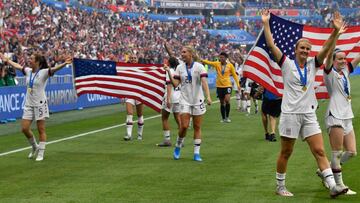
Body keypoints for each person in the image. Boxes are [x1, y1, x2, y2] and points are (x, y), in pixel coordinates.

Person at [261, 9, 348, 197]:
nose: (306, 51)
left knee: (319, 150)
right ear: (295, 50)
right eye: (302, 48)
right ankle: (280, 186)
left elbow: (325, 49)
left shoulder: (313, 64)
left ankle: (333, 186)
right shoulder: (286, 63)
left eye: (308, 49)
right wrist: (266, 23)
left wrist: (335, 32)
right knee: (286, 152)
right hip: (291, 114)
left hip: (308, 114)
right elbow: (270, 44)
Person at [0, 52, 72, 161]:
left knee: (41, 130)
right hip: (29, 104)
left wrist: (64, 63)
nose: (29, 60)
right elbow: (18, 66)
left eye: (32, 59)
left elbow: (54, 69)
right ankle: (34, 146)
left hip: (40, 104)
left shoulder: (43, 72)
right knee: (24, 128)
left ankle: (41, 153)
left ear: (37, 62)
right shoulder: (28, 71)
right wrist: (7, 60)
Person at [318, 47, 360, 195]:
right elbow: (329, 56)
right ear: (333, 60)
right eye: (339, 58)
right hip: (335, 114)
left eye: (344, 58)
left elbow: (358, 57)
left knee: (352, 152)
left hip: (347, 115)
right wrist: (336, 35)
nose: (343, 61)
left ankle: (326, 170)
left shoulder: (346, 71)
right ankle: (339, 185)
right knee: (337, 152)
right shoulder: (329, 72)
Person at [165, 46, 212, 162]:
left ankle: (196, 153)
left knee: (197, 127)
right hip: (185, 100)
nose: (182, 54)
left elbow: (204, 82)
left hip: (198, 100)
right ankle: (178, 146)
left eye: (184, 52)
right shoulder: (180, 68)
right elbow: (176, 84)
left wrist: (208, 96)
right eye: (181, 52)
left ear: (191, 54)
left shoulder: (199, 67)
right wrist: (169, 73)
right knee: (184, 126)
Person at [201, 52, 240, 123]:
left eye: (222, 57)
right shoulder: (217, 64)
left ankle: (227, 117)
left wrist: (238, 84)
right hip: (219, 86)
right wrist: (202, 60)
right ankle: (223, 118)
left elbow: (234, 75)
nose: (220, 59)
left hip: (227, 85)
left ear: (226, 58)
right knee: (222, 102)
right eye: (220, 57)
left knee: (227, 100)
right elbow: (209, 62)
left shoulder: (230, 65)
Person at [157, 56, 181, 147]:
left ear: (169, 63)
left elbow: (169, 85)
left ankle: (167, 140)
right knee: (178, 119)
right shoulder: (179, 71)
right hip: (179, 98)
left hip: (171, 97)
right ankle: (180, 141)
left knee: (164, 118)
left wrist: (168, 99)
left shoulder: (169, 71)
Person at [123, 53, 145, 141]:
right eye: (131, 58)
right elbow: (123, 83)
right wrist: (122, 95)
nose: (133, 59)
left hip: (139, 94)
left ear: (137, 59)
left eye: (134, 58)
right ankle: (129, 135)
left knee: (140, 115)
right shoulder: (126, 70)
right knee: (129, 114)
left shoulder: (141, 69)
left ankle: (140, 135)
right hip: (129, 94)